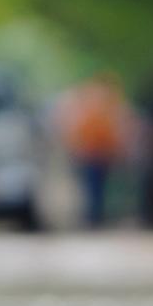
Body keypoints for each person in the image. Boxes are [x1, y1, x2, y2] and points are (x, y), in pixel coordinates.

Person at [54, 72, 134, 228]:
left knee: (93, 186)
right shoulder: (106, 100)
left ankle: (93, 215)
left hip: (94, 150)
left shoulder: (90, 100)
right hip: (96, 150)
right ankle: (94, 215)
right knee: (95, 186)